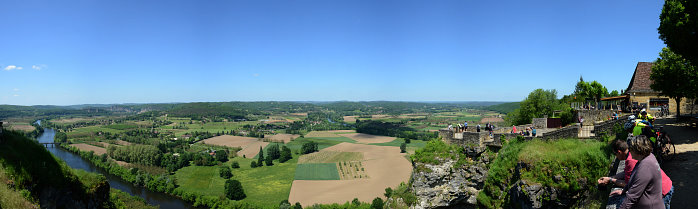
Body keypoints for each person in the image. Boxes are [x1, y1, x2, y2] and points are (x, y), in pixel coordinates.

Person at [619, 135, 664, 209]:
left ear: (637, 150)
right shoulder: (647, 158)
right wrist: (624, 190)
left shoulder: (645, 166)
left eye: (631, 149)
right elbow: (633, 178)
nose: (629, 152)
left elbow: (633, 196)